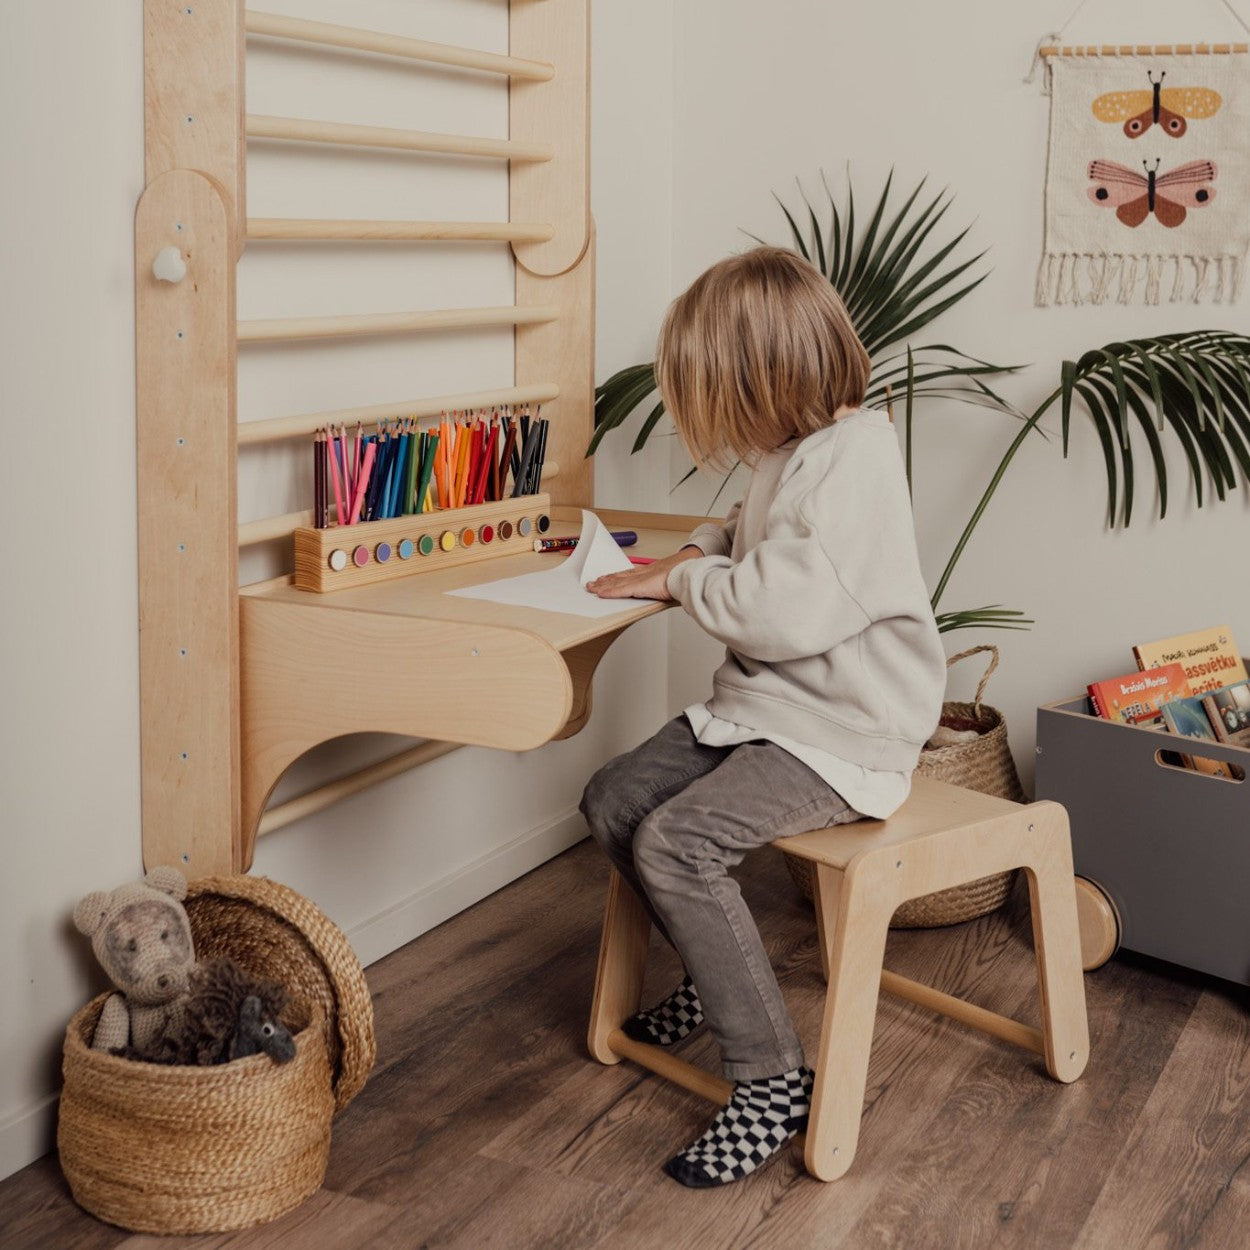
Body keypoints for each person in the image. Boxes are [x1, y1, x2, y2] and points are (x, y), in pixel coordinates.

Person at [581, 246, 947, 1188]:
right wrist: (698, 548)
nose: (714, 426)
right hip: (771, 710)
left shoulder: (855, 460)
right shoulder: (798, 453)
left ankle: (773, 1078)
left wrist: (683, 579)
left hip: (843, 730)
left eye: (717, 400)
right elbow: (760, 543)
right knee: (617, 798)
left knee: (677, 842)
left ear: (761, 380)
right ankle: (720, 985)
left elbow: (785, 609)